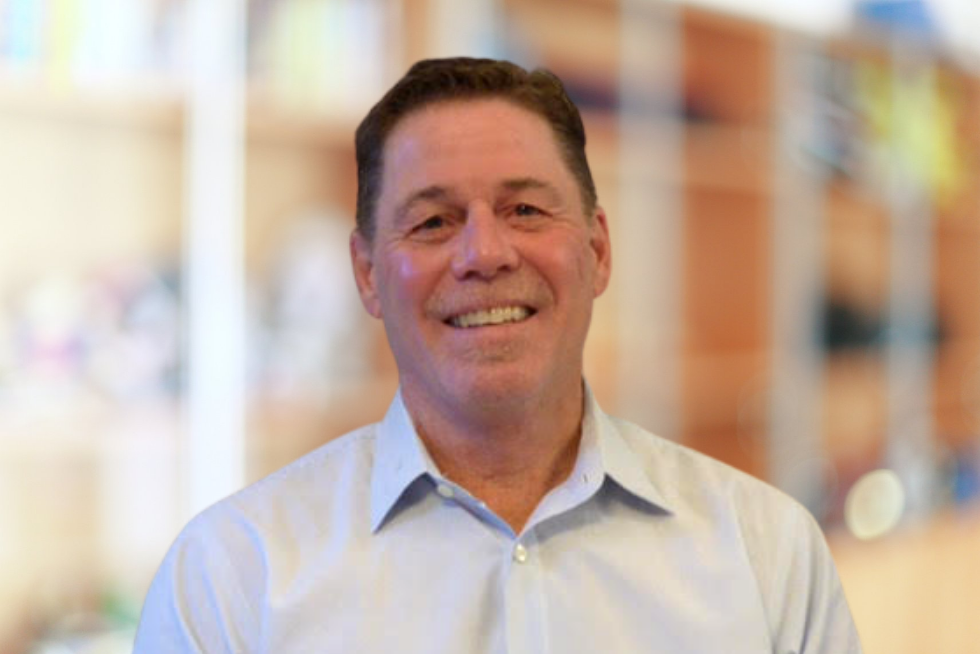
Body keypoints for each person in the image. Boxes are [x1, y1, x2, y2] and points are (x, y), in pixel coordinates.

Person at [134, 57, 863, 653]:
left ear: (598, 250)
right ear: (367, 276)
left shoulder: (768, 555)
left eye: (525, 210)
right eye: (432, 220)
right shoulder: (231, 580)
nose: (484, 253)